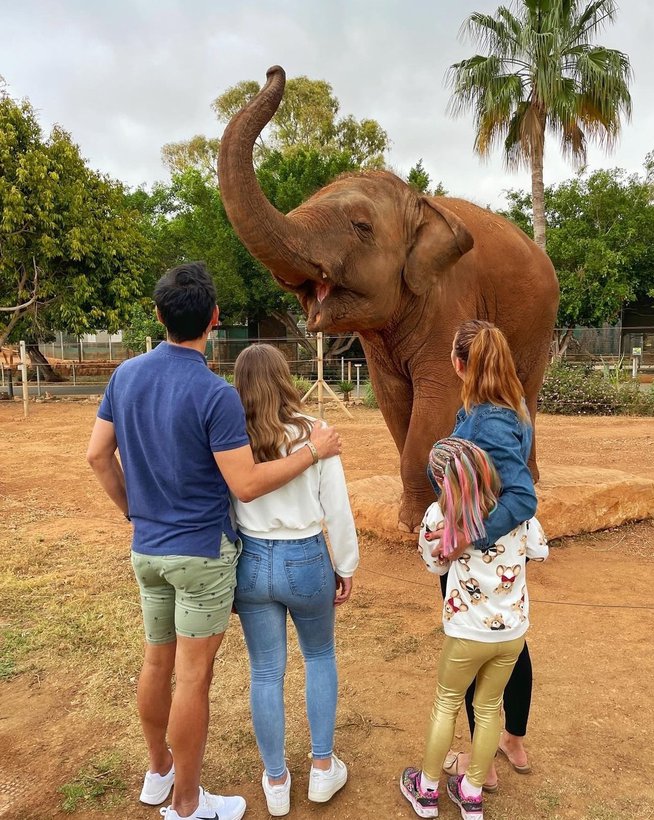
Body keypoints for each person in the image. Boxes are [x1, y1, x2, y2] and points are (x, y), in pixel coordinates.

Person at [86, 263, 341, 820]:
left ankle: (159, 773)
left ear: (158, 316)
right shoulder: (214, 393)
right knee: (193, 678)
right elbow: (246, 485)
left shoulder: (124, 376)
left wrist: (134, 509)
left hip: (148, 551)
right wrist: (311, 453)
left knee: (156, 664)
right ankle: (187, 804)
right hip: (201, 554)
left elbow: (96, 455)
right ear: (215, 319)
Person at [231, 344, 359, 817]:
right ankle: (323, 768)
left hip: (251, 559)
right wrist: (345, 565)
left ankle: (277, 779)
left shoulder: (231, 437)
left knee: (266, 671)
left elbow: (226, 505)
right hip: (306, 556)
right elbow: (338, 509)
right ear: (286, 378)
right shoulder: (314, 434)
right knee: (320, 654)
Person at [401, 438, 548, 820]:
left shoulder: (438, 515)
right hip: (511, 633)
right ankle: (471, 793)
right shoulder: (515, 510)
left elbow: (435, 566)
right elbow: (541, 550)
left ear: (439, 480)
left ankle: (427, 789)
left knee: (447, 702)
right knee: (488, 709)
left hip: (466, 631)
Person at [432, 320, 540, 791]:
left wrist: (466, 536)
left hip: (481, 559)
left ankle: (485, 766)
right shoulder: (514, 410)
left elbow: (521, 495)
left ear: (460, 364)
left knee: (479, 651)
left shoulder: (486, 419)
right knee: (510, 641)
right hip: (508, 562)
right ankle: (511, 740)